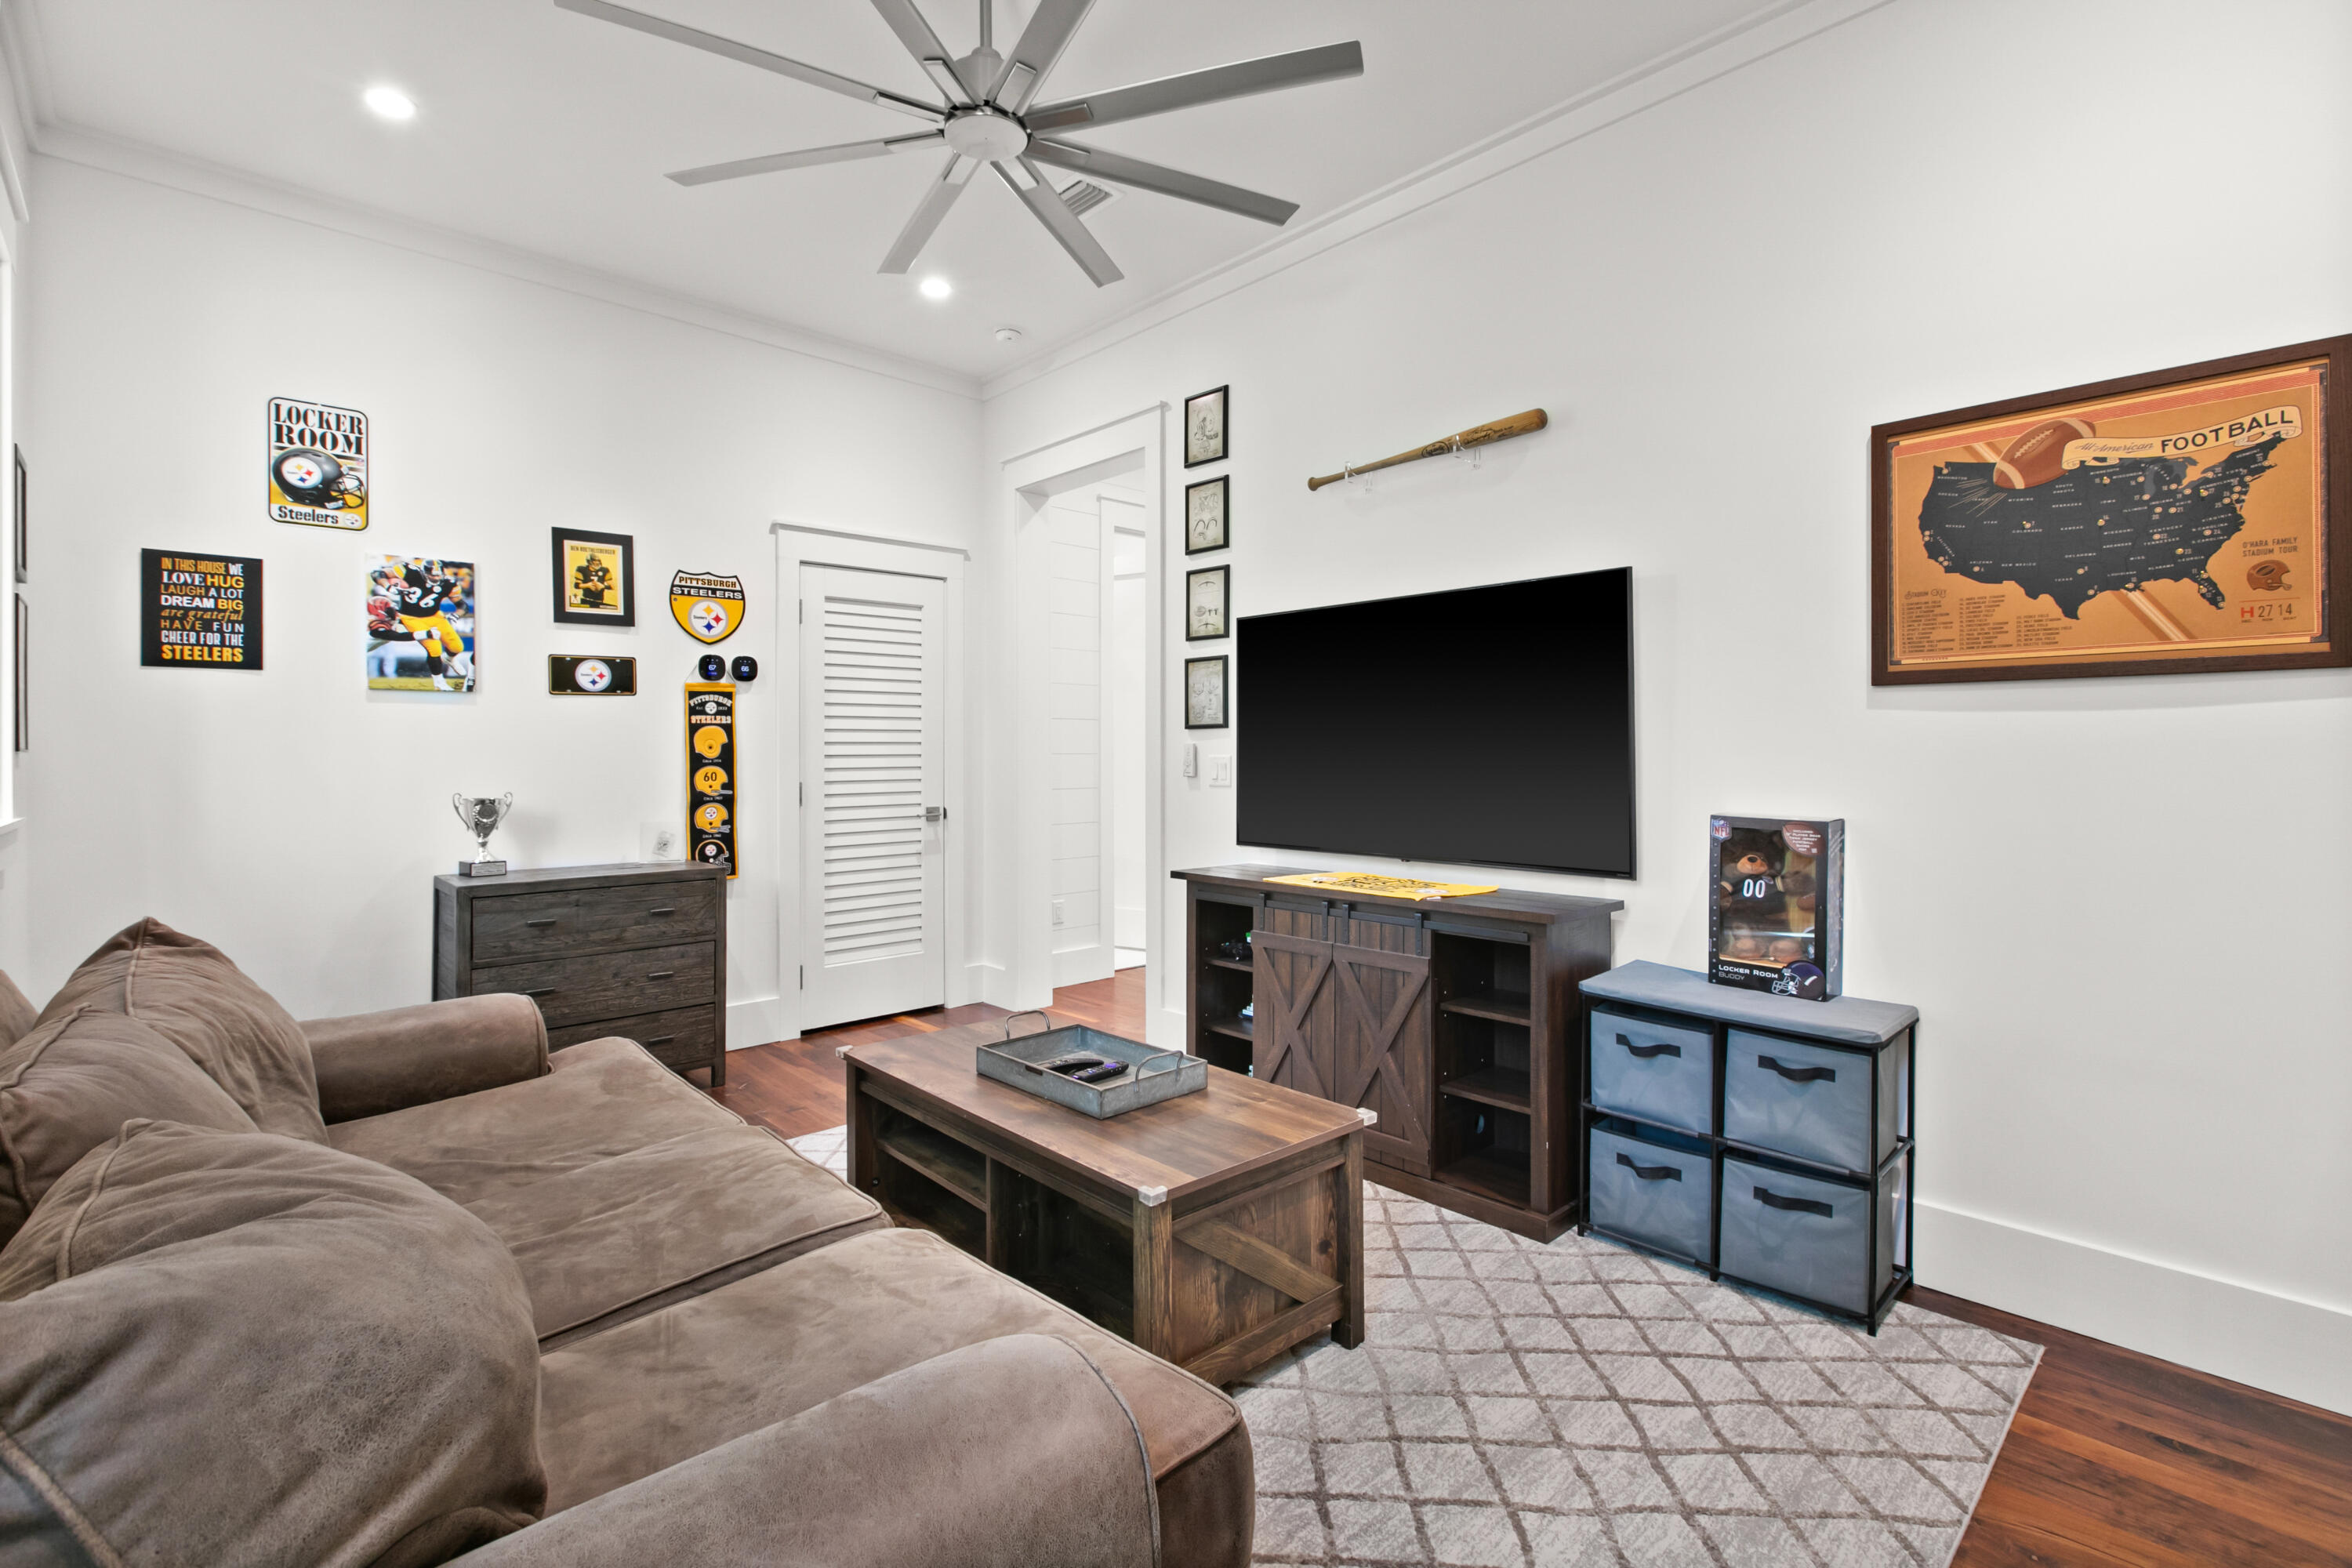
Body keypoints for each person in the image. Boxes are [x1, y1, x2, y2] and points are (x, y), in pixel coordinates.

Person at [390, 561, 474, 691]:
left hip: (434, 616)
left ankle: (448, 659)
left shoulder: (448, 583)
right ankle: (439, 682)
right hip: (411, 617)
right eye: (432, 575)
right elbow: (380, 574)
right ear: (424, 574)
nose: (436, 578)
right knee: (434, 648)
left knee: (457, 647)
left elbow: (462, 606)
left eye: (438, 575)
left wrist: (456, 615)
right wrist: (388, 586)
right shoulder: (412, 573)